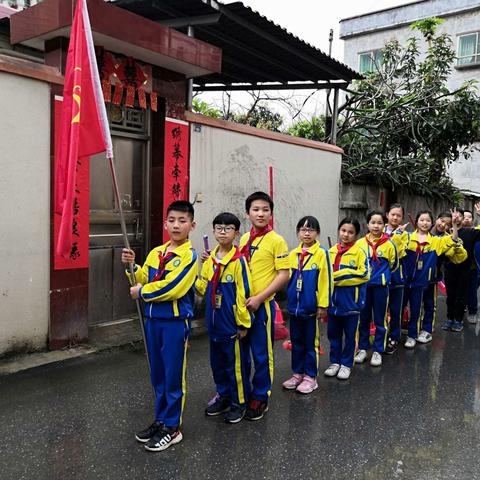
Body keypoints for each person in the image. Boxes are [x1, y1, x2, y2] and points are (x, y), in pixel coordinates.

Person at [121, 200, 198, 452]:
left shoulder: (189, 256)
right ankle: (161, 419)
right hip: (152, 322)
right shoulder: (157, 253)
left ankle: (173, 427)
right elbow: (142, 278)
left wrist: (142, 292)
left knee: (173, 376)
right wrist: (132, 266)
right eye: (172, 220)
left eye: (182, 221)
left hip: (174, 324)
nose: (176, 225)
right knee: (158, 375)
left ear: (192, 225)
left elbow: (172, 288)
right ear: (165, 223)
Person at [195, 212, 253, 424]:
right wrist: (198, 267)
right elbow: (202, 288)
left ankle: (239, 403)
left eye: (228, 228)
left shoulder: (239, 262)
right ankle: (224, 396)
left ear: (236, 233)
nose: (222, 231)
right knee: (217, 363)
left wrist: (243, 323)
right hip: (213, 323)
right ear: (213, 231)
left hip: (231, 325)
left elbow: (244, 293)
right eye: (218, 227)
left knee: (235, 366)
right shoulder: (210, 260)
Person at [239, 192, 289, 420]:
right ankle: (242, 394)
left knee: (262, 354)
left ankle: (261, 396)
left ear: (271, 213)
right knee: (242, 354)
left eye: (265, 210)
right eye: (256, 209)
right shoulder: (242, 239)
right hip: (242, 307)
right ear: (247, 213)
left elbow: (284, 275)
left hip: (263, 306)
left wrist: (260, 297)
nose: (260, 213)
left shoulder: (276, 240)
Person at [282, 216, 333, 394]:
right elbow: (286, 277)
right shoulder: (293, 254)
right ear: (298, 232)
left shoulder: (321, 253)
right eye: (303, 230)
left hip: (311, 308)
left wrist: (322, 305)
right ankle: (297, 373)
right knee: (296, 342)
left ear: (317, 233)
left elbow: (326, 280)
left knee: (311, 343)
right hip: (294, 307)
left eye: (310, 230)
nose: (306, 233)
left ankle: (310, 377)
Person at [403, 209, 463, 348]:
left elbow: (454, 240)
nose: (443, 225)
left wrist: (454, 225)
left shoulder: (438, 240)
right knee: (413, 306)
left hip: (432, 277)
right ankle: (407, 331)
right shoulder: (408, 237)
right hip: (412, 279)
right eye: (422, 220)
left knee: (429, 304)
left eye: (427, 221)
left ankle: (426, 330)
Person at [324, 218, 370, 380]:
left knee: (350, 336)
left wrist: (334, 277)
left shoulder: (360, 253)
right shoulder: (330, 252)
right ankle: (335, 362)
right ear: (338, 231)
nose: (346, 235)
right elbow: (323, 277)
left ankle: (346, 364)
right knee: (333, 335)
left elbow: (364, 275)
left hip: (351, 304)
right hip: (332, 303)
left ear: (356, 235)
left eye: (350, 232)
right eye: (343, 231)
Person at [355, 211, 398, 367]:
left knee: (380, 320)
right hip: (364, 287)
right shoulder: (360, 244)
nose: (376, 226)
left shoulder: (389, 244)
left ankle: (378, 350)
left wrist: (382, 277)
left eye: (379, 223)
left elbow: (394, 265)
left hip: (381, 287)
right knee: (363, 318)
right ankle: (362, 348)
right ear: (368, 224)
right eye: (373, 222)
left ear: (384, 225)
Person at [443, 208, 480, 332]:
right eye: (454, 215)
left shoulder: (470, 232)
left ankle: (458, 320)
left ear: (463, 219)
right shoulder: (446, 232)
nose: (456, 217)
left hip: (465, 270)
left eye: (459, 215)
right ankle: (450, 318)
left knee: (461, 295)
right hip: (449, 269)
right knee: (450, 295)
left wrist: (479, 215)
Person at [384, 204, 409, 354]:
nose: (395, 217)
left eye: (398, 215)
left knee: (395, 310)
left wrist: (398, 235)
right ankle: (379, 337)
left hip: (397, 278)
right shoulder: (379, 230)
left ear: (402, 218)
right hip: (379, 279)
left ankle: (394, 337)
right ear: (387, 214)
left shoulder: (404, 235)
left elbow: (399, 253)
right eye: (393, 214)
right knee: (380, 311)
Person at [463, 207, 480, 323]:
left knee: (472, 290)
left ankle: (472, 312)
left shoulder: (476, 232)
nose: (467, 219)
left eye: (469, 217)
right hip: (458, 268)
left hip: (473, 267)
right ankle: (461, 307)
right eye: (464, 217)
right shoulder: (454, 232)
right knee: (460, 290)